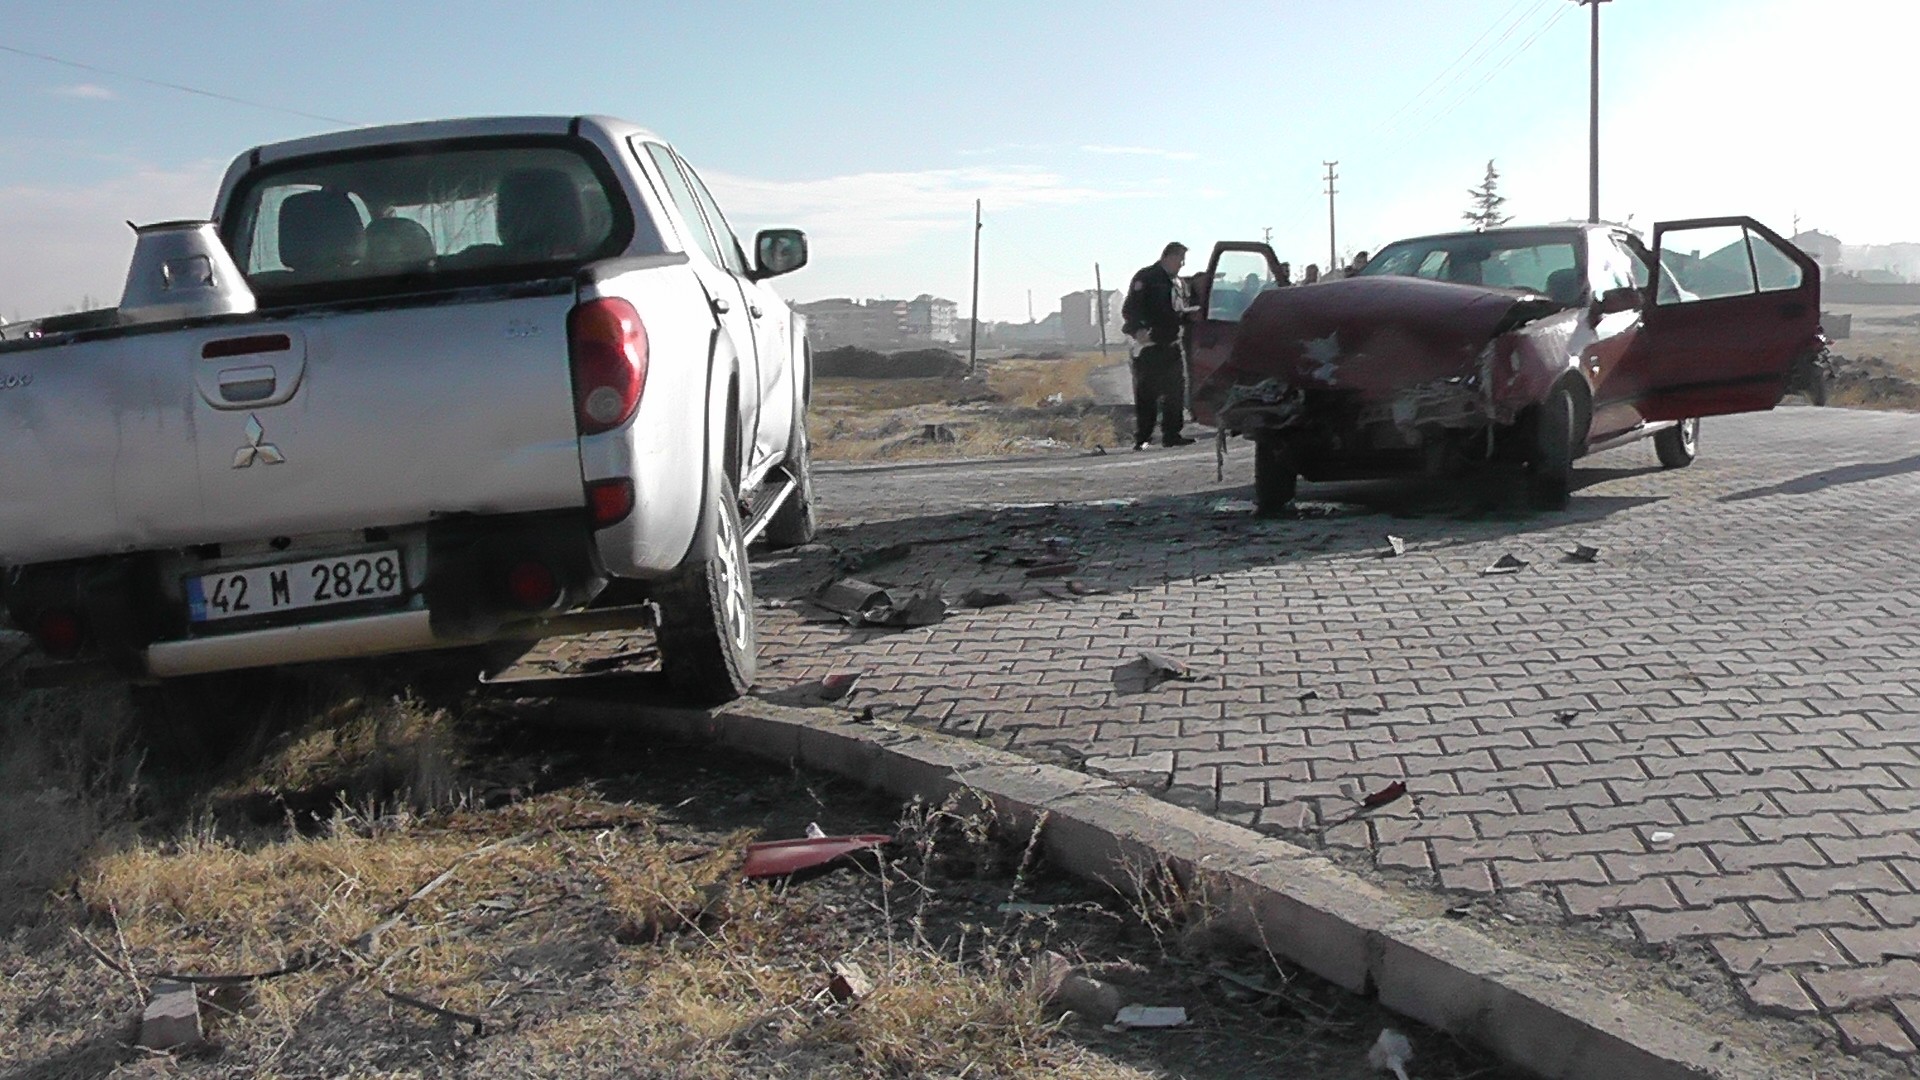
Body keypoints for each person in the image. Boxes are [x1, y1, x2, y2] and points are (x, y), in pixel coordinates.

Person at [1121, 242, 1196, 450]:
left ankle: (1172, 434)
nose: (1182, 264)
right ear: (1168, 257)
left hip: (1171, 344)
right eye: (1179, 259)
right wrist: (1137, 330)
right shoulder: (1147, 278)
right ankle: (1143, 437)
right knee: (1147, 394)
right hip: (1149, 346)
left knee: (1175, 392)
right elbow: (1130, 309)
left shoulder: (1179, 283)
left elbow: (1180, 310)